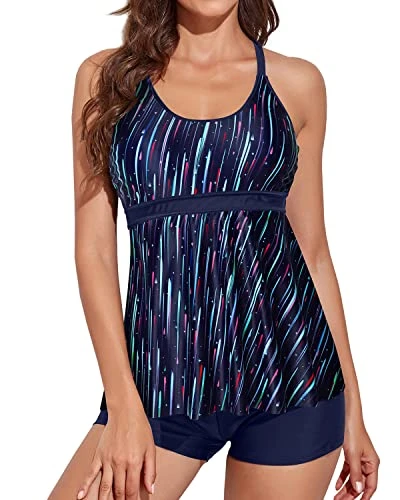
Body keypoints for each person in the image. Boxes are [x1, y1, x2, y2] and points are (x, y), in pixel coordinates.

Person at [49, 1, 380, 499]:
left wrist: (353, 408)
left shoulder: (297, 84)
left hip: (294, 379)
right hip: (160, 382)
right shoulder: (107, 80)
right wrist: (122, 406)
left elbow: (312, 252)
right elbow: (93, 250)